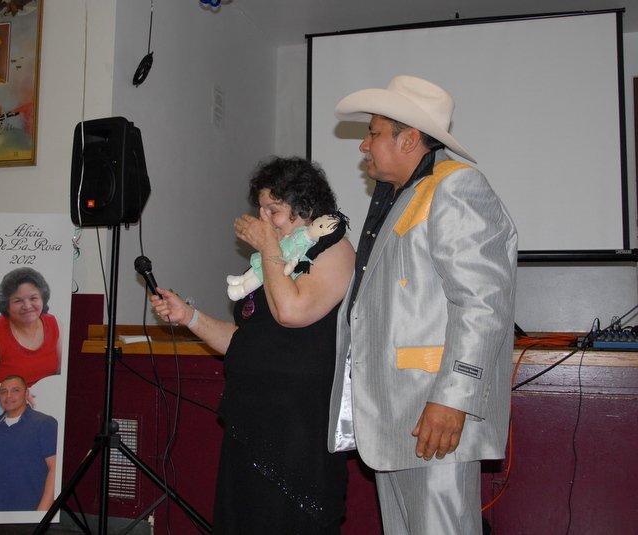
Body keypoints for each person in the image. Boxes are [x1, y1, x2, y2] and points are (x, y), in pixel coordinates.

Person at [327, 75, 518, 534]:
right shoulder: (403, 195)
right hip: (396, 415)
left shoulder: (456, 186)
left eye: (373, 133)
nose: (364, 146)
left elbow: (483, 304)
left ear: (409, 139)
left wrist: (453, 399)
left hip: (433, 412)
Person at [150, 156, 355, 534]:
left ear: (305, 208)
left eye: (273, 210)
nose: (263, 219)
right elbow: (246, 341)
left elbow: (291, 312)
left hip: (299, 426)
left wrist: (269, 249)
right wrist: (189, 317)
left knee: (289, 522)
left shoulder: (333, 250)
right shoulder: (269, 262)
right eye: (260, 209)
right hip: (251, 418)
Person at [0, 267, 62, 389]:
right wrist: (11, 389)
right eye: (18, 301)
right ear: (6, 305)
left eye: (33, 298)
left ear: (43, 299)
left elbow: (62, 374)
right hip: (4, 401)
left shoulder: (55, 324)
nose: (27, 306)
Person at [0, 375, 57, 511]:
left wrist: (42, 513)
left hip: (31, 511)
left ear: (26, 394)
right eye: (4, 391)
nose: (8, 396)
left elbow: (55, 468)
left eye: (15, 390)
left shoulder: (44, 423)